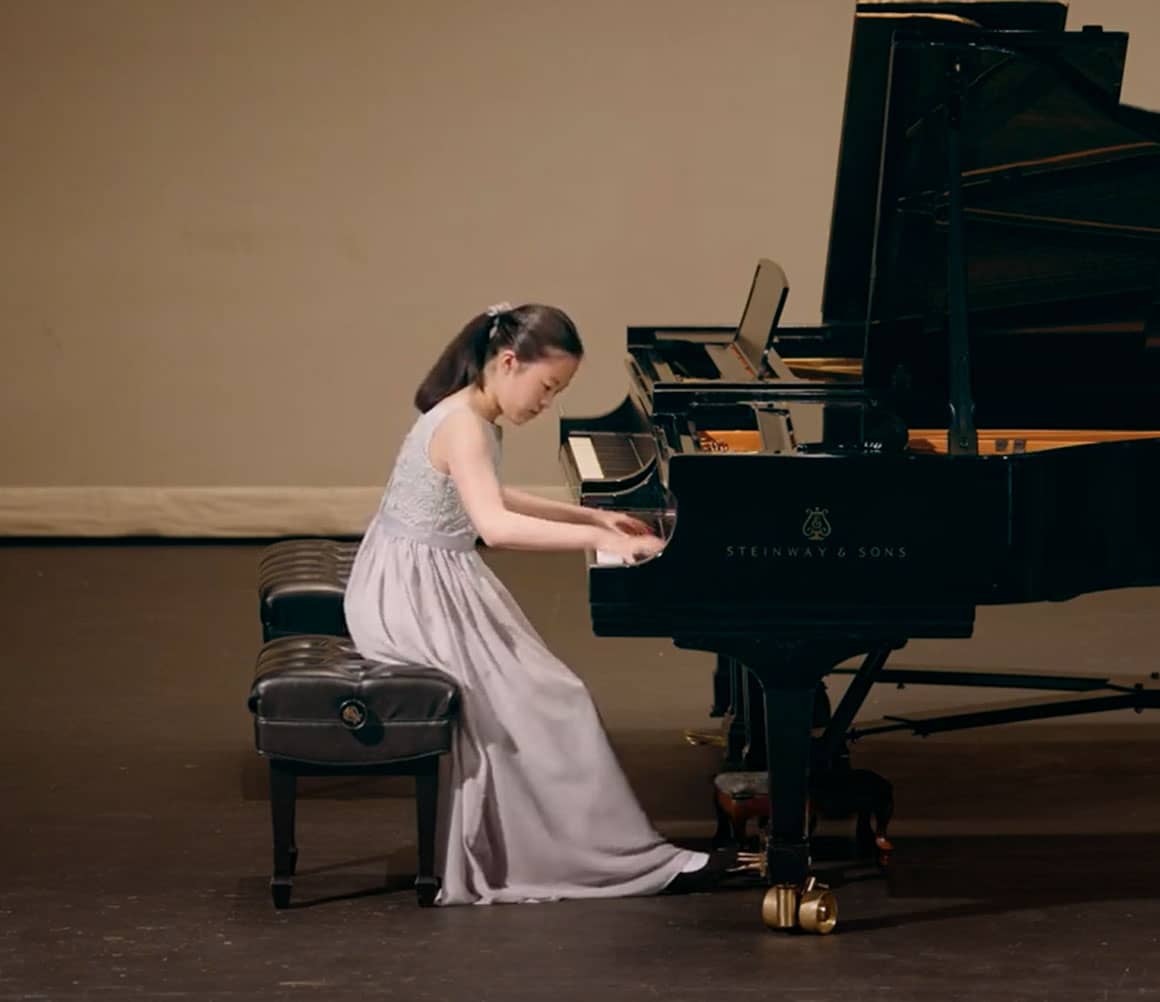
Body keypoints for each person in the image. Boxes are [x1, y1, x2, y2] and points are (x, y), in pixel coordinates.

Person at [343, 301, 734, 905]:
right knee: (553, 698)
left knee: (547, 692)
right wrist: (599, 539)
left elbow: (491, 492)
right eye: (548, 387)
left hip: (419, 575)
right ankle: (590, 854)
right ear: (507, 362)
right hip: (410, 595)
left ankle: (586, 840)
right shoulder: (465, 423)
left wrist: (592, 513)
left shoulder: (472, 412)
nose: (547, 402)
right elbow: (495, 527)